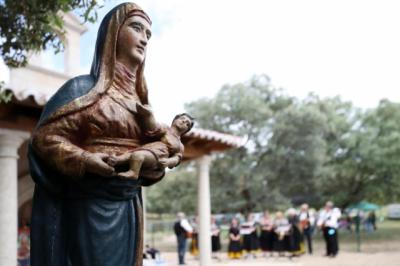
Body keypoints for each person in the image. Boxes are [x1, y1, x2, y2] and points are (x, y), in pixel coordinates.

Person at [28, 3, 167, 266]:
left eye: (148, 34)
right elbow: (45, 139)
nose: (144, 39)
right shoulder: (82, 89)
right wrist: (84, 159)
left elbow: (158, 155)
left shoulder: (141, 104)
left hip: (129, 208)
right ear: (114, 32)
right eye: (137, 28)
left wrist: (152, 162)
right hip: (92, 209)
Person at [109, 109, 194, 179]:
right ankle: (116, 160)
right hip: (149, 148)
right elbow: (153, 128)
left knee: (137, 155)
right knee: (129, 155)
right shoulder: (164, 128)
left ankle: (134, 172)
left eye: (187, 124)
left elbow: (177, 158)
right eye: (182, 118)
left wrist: (168, 161)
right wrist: (149, 115)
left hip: (159, 155)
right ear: (175, 119)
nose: (183, 122)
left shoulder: (180, 145)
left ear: (186, 130)